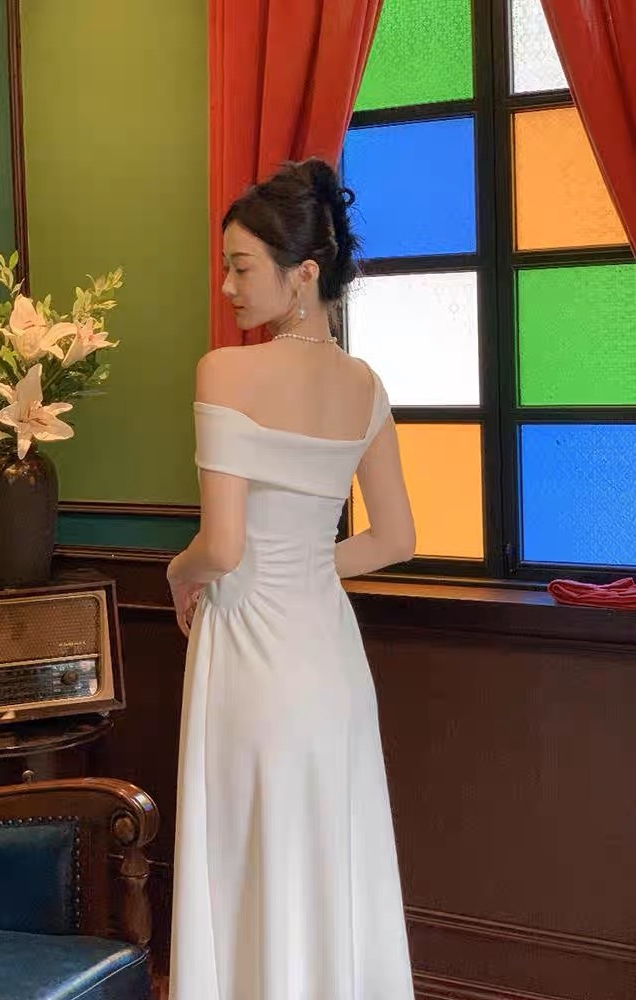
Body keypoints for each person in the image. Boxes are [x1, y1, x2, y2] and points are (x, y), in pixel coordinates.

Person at [166, 158, 417, 1000]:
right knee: (327, 860)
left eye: (242, 268)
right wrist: (305, 564)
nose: (228, 287)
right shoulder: (365, 386)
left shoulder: (224, 371)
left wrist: (175, 573)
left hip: (251, 656)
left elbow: (222, 547)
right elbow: (396, 539)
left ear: (304, 274)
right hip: (331, 661)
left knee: (248, 860)